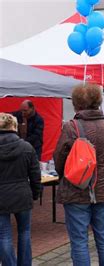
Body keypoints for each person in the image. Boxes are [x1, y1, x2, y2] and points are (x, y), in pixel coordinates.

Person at [53, 83, 104, 266]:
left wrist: (65, 176)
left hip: (76, 191)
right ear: (97, 101)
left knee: (79, 241)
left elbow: (59, 157)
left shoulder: (71, 127)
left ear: (76, 103)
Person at [0, 113, 41, 266]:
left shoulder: (26, 147)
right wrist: (35, 194)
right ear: (14, 126)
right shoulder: (26, 147)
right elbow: (35, 175)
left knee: (4, 235)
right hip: (22, 194)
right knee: (24, 233)